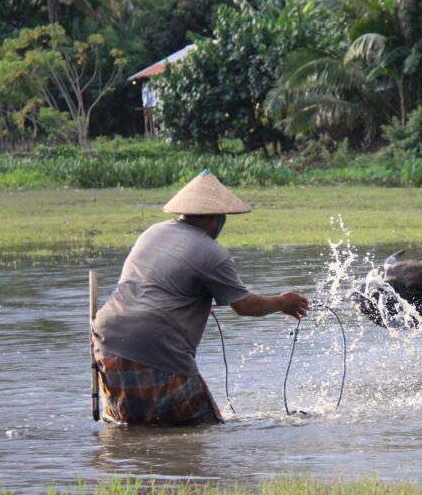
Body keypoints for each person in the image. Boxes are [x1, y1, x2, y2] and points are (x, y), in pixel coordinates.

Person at [91, 171, 310, 426]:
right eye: (221, 217)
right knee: (204, 427)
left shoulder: (153, 232)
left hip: (106, 337)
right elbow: (244, 306)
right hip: (155, 345)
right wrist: (283, 302)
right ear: (210, 217)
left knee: (132, 428)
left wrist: (191, 307)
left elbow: (149, 288)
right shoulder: (212, 252)